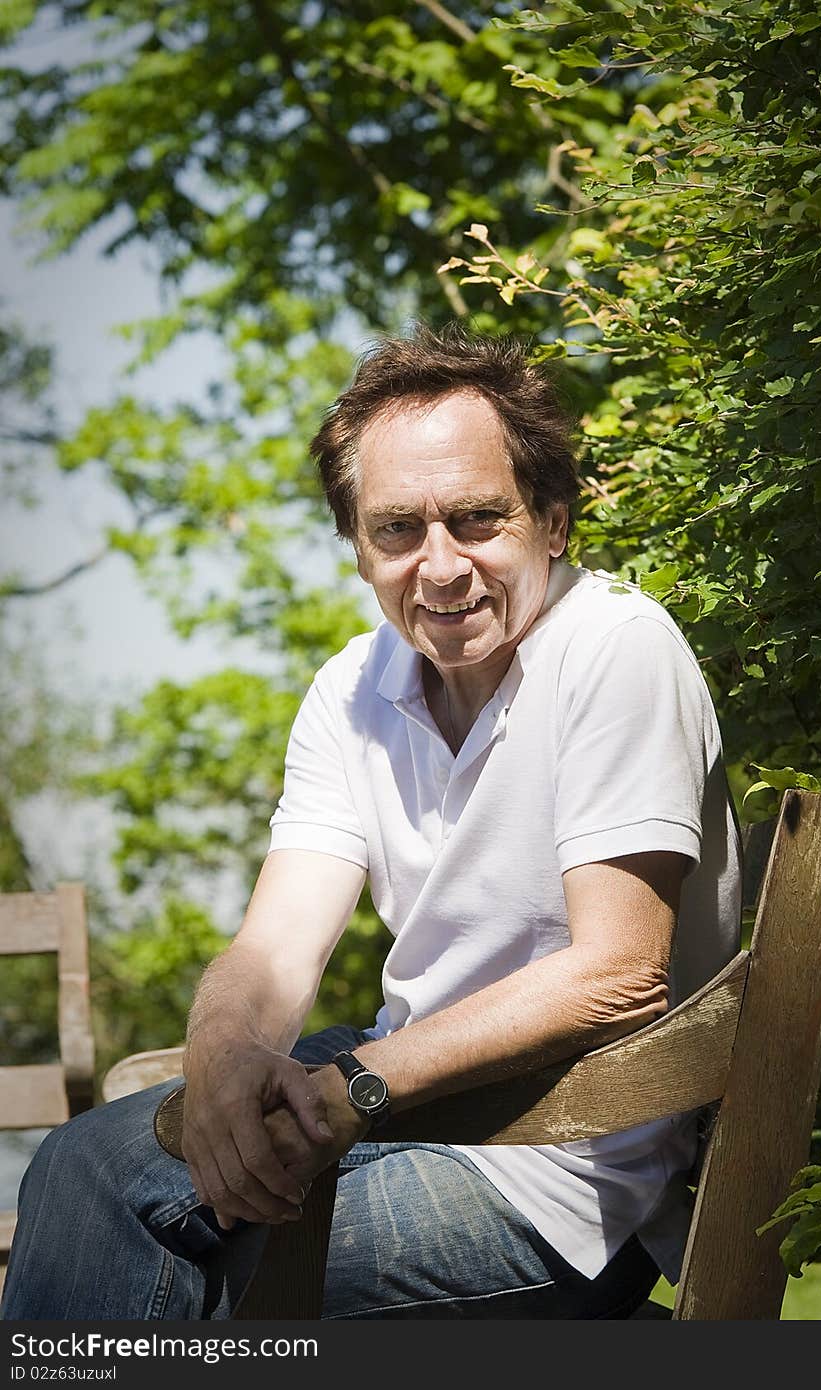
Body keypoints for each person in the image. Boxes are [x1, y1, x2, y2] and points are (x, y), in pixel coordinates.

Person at [1, 325, 741, 1321]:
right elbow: (272, 949)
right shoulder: (351, 687)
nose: (439, 567)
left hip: (564, 1174)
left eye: (478, 518)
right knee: (79, 1164)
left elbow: (618, 973)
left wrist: (356, 1084)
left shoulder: (616, 646)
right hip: (404, 1101)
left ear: (553, 522)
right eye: (397, 530)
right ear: (357, 547)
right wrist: (221, 1060)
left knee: (168, 1262)